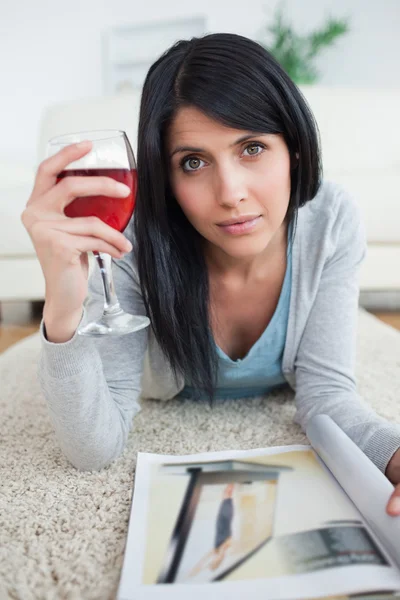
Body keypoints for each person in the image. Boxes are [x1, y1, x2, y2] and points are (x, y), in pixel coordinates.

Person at [22, 33, 400, 514]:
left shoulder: (330, 219)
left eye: (253, 148)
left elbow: (328, 396)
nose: (230, 192)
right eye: (193, 162)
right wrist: (62, 304)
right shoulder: (131, 239)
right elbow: (92, 449)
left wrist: (393, 454)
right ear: (167, 177)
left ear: (296, 150)